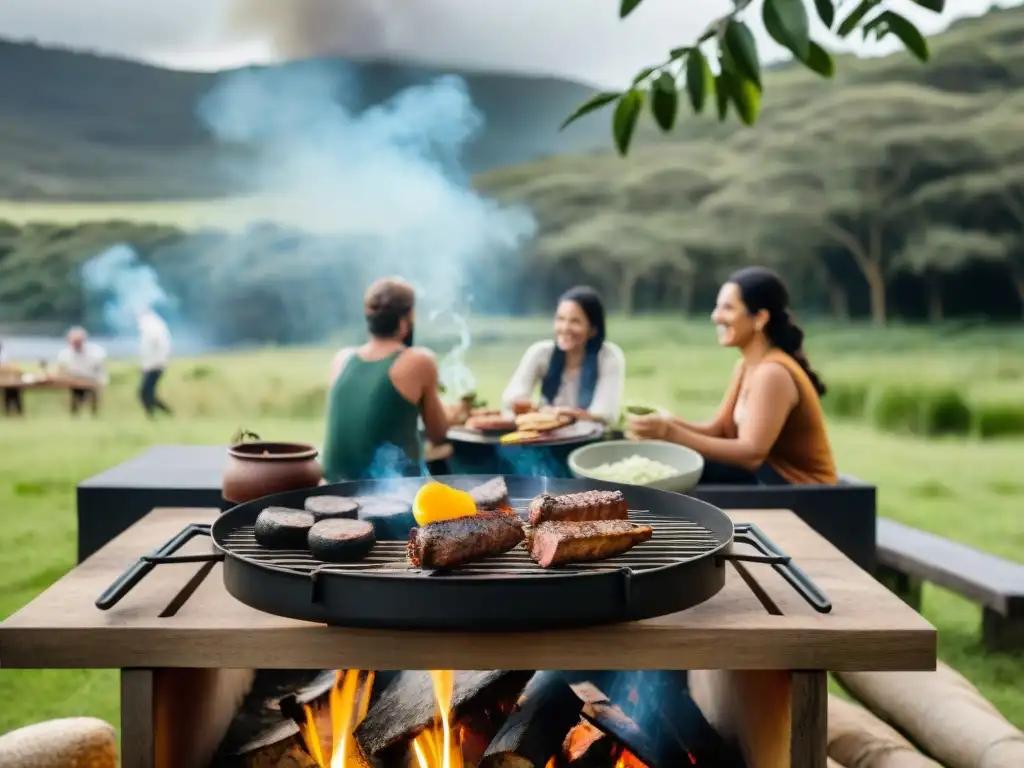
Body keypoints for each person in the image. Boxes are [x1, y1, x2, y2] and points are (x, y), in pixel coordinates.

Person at [627, 266, 837, 485]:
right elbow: (718, 430)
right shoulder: (746, 366)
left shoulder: (773, 373)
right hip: (769, 479)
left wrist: (670, 433)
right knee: (672, 464)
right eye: (717, 307)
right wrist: (666, 422)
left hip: (805, 493)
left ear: (760, 318)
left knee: (679, 469)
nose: (715, 316)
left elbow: (751, 455)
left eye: (727, 308)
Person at [321, 277, 469, 482]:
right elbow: (437, 434)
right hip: (389, 492)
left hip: (331, 489)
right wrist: (456, 415)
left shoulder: (342, 358)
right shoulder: (418, 360)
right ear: (407, 318)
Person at [501, 286, 625, 424]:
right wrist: (532, 408)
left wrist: (566, 414)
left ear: (593, 330)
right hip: (547, 434)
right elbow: (512, 398)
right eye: (560, 319)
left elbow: (605, 415)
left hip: (590, 438)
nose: (565, 328)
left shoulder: (607, 357)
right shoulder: (541, 353)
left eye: (575, 321)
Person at [55, 326, 108, 415]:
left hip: (90, 381)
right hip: (71, 382)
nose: (76, 344)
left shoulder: (95, 354)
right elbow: (61, 372)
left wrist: (99, 383)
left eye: (78, 341)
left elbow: (101, 372)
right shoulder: (64, 355)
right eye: (74, 342)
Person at [137, 308, 173, 417]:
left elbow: (155, 342)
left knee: (144, 392)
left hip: (155, 365)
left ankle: (163, 413)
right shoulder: (157, 325)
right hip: (153, 364)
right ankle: (154, 414)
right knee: (147, 392)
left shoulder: (151, 327)